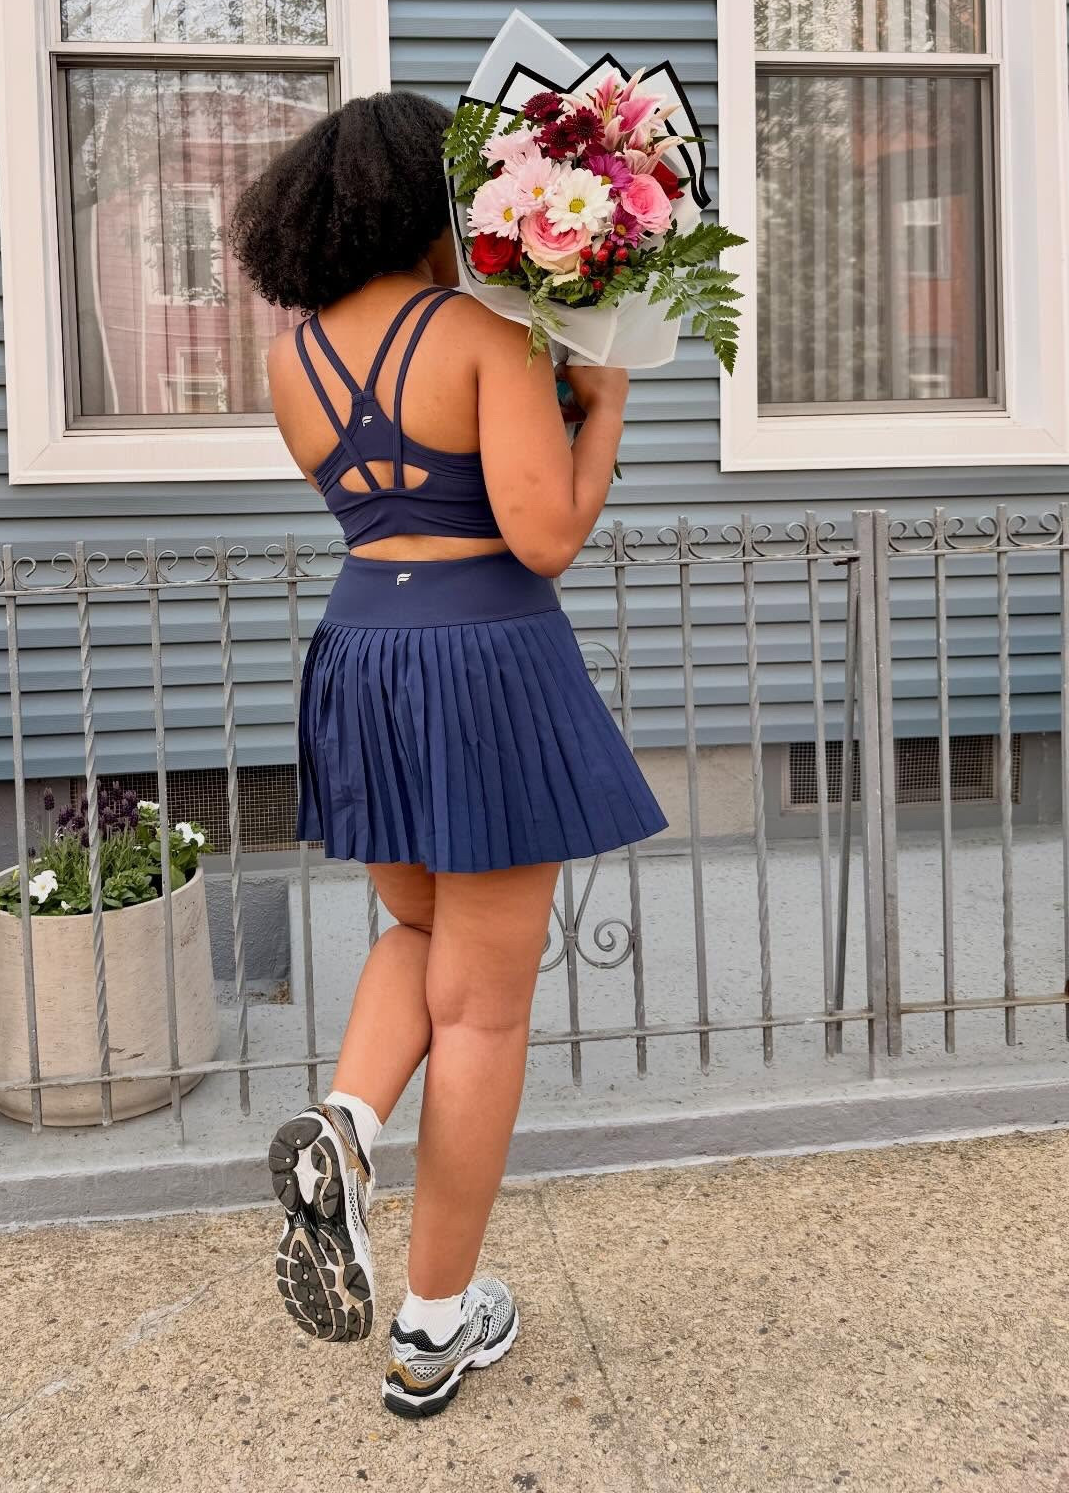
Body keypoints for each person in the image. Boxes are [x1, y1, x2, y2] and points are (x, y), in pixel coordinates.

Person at [231, 91, 666, 1418]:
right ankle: (432, 1325)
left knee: (421, 939)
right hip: (482, 653)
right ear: (433, 207)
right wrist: (603, 402)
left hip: (363, 653)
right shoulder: (481, 332)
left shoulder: (292, 355)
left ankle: (346, 1129)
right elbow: (544, 533)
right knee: (486, 1004)